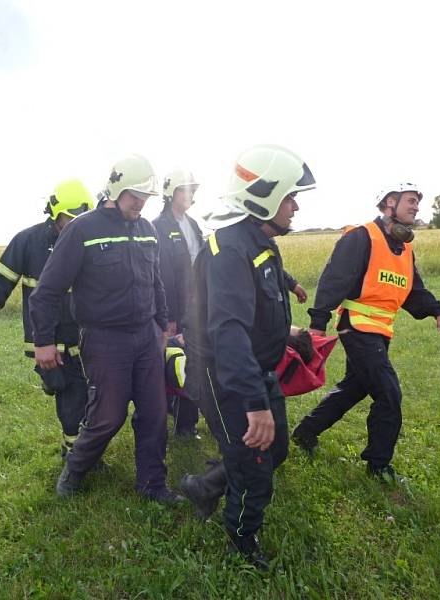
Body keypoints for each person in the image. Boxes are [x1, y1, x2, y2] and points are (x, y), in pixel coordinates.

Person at [179, 144, 317, 569]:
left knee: (274, 452)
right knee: (254, 463)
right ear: (265, 196)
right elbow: (229, 332)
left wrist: (288, 333)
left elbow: (255, 308)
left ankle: (203, 486)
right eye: (290, 197)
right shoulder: (229, 250)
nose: (295, 207)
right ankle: (241, 540)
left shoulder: (259, 241)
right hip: (227, 378)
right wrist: (255, 406)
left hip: (256, 370)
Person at [29, 154, 182, 505]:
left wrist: (162, 325)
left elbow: (155, 281)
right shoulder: (82, 230)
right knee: (107, 416)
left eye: (146, 198)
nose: (140, 205)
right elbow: (47, 291)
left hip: (146, 336)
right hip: (104, 338)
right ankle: (74, 470)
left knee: (155, 413)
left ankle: (152, 485)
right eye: (134, 197)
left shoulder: (147, 230)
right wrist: (44, 342)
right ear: (116, 189)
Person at [291, 183, 440, 483]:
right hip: (356, 326)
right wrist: (318, 320)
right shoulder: (361, 236)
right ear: (389, 203)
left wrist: (438, 311)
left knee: (355, 387)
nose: (416, 206)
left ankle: (305, 432)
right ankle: (378, 465)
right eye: (410, 200)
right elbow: (334, 279)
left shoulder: (404, 248)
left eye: (418, 202)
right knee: (388, 393)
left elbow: (413, 289)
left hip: (379, 331)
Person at [0, 179, 94, 457]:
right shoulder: (28, 242)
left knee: (87, 397)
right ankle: (78, 459)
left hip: (85, 339)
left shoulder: (89, 240)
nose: (75, 225)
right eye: (70, 219)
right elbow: (0, 282)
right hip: (48, 341)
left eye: (81, 219)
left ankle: (78, 452)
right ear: (55, 212)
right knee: (70, 398)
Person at [152, 169, 203, 438]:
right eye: (187, 190)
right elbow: (162, 276)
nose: (191, 195)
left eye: (193, 190)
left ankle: (186, 422)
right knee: (175, 363)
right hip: (175, 310)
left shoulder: (193, 225)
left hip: (196, 308)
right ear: (172, 193)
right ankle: (171, 419)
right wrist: (169, 317)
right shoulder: (159, 226)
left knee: (193, 362)